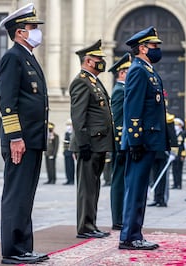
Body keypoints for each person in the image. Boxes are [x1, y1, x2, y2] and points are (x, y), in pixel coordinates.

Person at [0, 3, 50, 264]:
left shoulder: (27, 57)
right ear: (20, 32)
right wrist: (15, 137)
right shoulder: (13, 57)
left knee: (26, 196)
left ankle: (24, 247)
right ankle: (12, 251)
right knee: (16, 195)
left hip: (32, 139)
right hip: (21, 140)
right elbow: (7, 102)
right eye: (32, 28)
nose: (36, 32)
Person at [119, 26, 168, 250]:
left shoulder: (146, 69)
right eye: (154, 46)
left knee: (140, 189)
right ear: (142, 48)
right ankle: (129, 236)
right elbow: (133, 107)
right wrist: (135, 139)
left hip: (149, 139)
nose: (157, 49)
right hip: (142, 140)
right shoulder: (138, 70)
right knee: (136, 188)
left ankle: (134, 233)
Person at [69, 39, 114, 239]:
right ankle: (85, 227)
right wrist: (83, 143)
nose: (102, 61)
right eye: (99, 59)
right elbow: (78, 116)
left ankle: (91, 224)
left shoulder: (93, 81)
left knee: (93, 186)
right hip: (89, 143)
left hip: (98, 143)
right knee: (87, 188)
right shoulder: (81, 82)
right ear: (88, 61)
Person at [108, 52, 132, 230]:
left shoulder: (125, 90)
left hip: (126, 142)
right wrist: (120, 143)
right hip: (121, 143)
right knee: (118, 180)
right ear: (122, 73)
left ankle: (122, 215)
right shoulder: (119, 91)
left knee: (124, 180)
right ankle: (118, 218)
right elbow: (117, 120)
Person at [148, 91, 178, 207]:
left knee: (163, 177)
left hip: (164, 152)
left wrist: (173, 152)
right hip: (154, 151)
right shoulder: (152, 116)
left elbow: (173, 136)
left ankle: (163, 199)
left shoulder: (168, 118)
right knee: (155, 176)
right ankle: (156, 198)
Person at [171, 118, 186, 189]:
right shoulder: (173, 134)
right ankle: (175, 183)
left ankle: (179, 184)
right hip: (174, 154)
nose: (175, 126)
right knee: (174, 169)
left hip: (180, 154)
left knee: (179, 170)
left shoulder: (183, 134)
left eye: (177, 125)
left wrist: (183, 155)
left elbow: (184, 146)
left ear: (180, 126)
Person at [63, 118, 75, 185]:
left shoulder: (73, 133)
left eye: (70, 125)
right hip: (66, 152)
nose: (68, 126)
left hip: (71, 152)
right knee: (67, 167)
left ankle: (71, 180)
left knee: (71, 167)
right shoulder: (66, 133)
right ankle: (68, 179)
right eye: (67, 125)